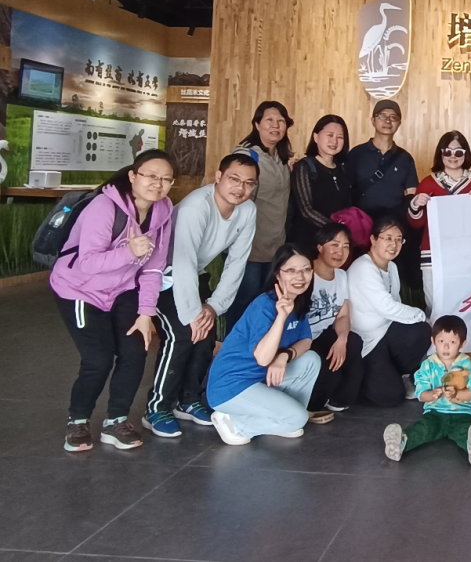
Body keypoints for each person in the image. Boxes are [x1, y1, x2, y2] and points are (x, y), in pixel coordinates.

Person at [51, 151, 175, 451]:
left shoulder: (163, 211)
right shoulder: (104, 207)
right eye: (150, 176)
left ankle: (116, 420)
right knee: (99, 359)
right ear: (133, 176)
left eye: (165, 179)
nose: (158, 184)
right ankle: (78, 421)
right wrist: (128, 252)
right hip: (80, 290)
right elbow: (87, 263)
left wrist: (146, 313)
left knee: (135, 351)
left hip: (122, 289)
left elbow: (154, 268)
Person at [143, 153, 257, 439]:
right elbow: (182, 261)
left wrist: (213, 307)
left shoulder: (247, 210)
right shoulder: (196, 207)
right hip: (161, 275)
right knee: (181, 336)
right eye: (234, 179)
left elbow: (237, 263)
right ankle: (156, 409)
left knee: (205, 336)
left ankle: (188, 400)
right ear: (218, 177)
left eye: (249, 183)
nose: (240, 188)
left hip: (194, 274)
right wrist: (193, 314)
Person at [205, 244, 321, 445]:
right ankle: (236, 424)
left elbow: (306, 341)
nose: (300, 277)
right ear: (277, 274)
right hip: (232, 386)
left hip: (259, 378)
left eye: (306, 270)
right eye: (291, 270)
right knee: (298, 420)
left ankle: (283, 420)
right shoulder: (265, 305)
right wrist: (281, 317)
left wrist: (284, 356)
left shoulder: (298, 301)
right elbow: (263, 358)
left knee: (311, 360)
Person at [382, 315, 471, 465]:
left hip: (463, 413)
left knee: (464, 431)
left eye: (452, 342)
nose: (446, 347)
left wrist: (458, 394)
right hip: (434, 413)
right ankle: (400, 443)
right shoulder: (427, 365)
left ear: (462, 343)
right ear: (433, 341)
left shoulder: (466, 364)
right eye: (441, 341)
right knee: (424, 429)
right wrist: (431, 395)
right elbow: (420, 393)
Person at [348, 217, 431, 406]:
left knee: (420, 331)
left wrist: (421, 321)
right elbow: (386, 307)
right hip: (368, 342)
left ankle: (403, 374)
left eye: (399, 239)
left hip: (387, 332)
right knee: (391, 397)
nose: (394, 244)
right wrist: (422, 316)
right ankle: (360, 380)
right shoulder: (363, 267)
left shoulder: (391, 266)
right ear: (373, 239)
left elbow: (396, 304)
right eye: (388, 238)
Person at [227, 101, 294, 332]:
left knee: (265, 301)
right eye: (269, 120)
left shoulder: (280, 158)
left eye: (281, 121)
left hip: (274, 246)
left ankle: (258, 346)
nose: (276, 125)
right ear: (257, 124)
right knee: (243, 302)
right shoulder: (246, 157)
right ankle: (233, 347)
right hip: (249, 248)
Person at [407, 130, 471, 312]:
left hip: (468, 255)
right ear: (440, 153)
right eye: (448, 152)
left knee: (468, 303)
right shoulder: (428, 183)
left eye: (458, 152)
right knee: (436, 304)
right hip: (433, 254)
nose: (453, 156)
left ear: (466, 154)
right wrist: (416, 203)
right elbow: (416, 223)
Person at [346, 99, 421, 287]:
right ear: (373, 120)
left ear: (399, 123)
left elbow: (411, 194)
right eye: (382, 116)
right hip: (362, 228)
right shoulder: (356, 154)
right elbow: (345, 190)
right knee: (360, 275)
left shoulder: (405, 158)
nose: (388, 121)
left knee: (392, 276)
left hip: (392, 228)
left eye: (393, 117)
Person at [305, 223, 365, 424]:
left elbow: (343, 315)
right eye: (334, 245)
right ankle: (312, 403)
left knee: (353, 342)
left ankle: (338, 398)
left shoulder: (341, 275)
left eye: (346, 246)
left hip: (322, 335)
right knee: (329, 376)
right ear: (320, 247)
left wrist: (341, 339)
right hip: (302, 340)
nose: (341, 251)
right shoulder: (305, 272)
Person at [288, 114, 352, 250]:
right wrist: (336, 229)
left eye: (340, 137)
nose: (334, 141)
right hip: (307, 241)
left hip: (334, 245)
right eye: (330, 135)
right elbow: (306, 210)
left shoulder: (343, 169)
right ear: (316, 137)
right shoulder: (304, 166)